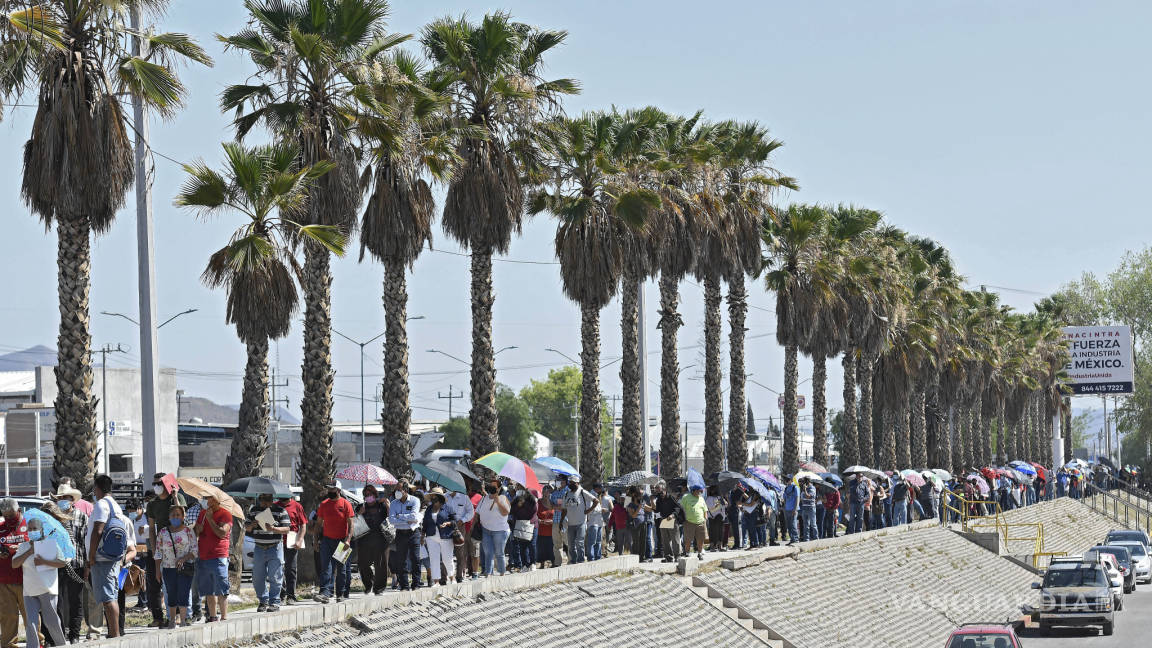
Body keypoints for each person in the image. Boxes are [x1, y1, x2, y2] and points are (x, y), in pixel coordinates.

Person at [12, 517, 67, 647]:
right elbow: (14, 564)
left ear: (41, 530)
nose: (32, 531)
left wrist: (44, 562)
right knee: (31, 623)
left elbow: (62, 562)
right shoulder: (24, 546)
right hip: (29, 591)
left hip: (47, 589)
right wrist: (29, 552)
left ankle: (61, 645)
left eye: (34, 528)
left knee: (51, 622)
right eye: (29, 529)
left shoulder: (50, 544)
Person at [85, 474, 128, 638]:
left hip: (101, 557)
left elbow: (98, 530)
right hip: (111, 556)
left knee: (108, 598)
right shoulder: (115, 505)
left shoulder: (101, 505)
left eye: (94, 489)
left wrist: (91, 556)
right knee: (111, 595)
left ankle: (114, 633)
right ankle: (113, 632)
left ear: (97, 488)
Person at [45, 487, 86, 642]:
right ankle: (59, 634)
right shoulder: (54, 517)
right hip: (57, 565)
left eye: (66, 497)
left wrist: (87, 565)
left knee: (76, 601)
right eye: (60, 498)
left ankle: (75, 635)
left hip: (77, 563)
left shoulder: (81, 516)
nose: (63, 500)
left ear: (72, 499)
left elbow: (84, 542)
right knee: (58, 601)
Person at [145, 473, 185, 627]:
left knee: (176, 582)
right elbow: (151, 529)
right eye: (154, 483)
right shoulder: (152, 504)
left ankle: (178, 616)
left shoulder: (176, 499)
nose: (156, 486)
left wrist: (175, 497)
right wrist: (155, 552)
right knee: (155, 583)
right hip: (160, 547)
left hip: (178, 546)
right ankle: (158, 617)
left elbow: (183, 517)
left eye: (159, 483)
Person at [153, 504, 196, 628]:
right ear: (169, 517)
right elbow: (158, 552)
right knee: (170, 594)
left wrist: (184, 558)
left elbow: (194, 550)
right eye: (173, 515)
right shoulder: (163, 532)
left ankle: (183, 620)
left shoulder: (188, 531)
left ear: (183, 517)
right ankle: (171, 620)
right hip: (168, 568)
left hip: (185, 568)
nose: (175, 517)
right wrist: (157, 570)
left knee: (183, 593)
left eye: (178, 515)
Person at [246, 493, 289, 612]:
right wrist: (252, 525)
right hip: (259, 547)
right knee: (257, 577)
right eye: (263, 500)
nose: (265, 503)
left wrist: (274, 529)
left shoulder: (280, 511)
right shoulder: (254, 510)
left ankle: (274, 602)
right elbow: (246, 527)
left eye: (268, 500)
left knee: (275, 576)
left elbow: (287, 529)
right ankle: (263, 601)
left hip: (275, 547)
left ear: (272, 500)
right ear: (259, 500)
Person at [313, 480, 355, 602]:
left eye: (332, 489)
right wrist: (316, 541)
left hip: (342, 541)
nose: (330, 491)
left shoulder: (346, 504)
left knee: (341, 569)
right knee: (325, 567)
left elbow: (351, 525)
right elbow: (318, 524)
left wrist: (348, 540)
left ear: (338, 490)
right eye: (329, 489)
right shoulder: (324, 504)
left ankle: (340, 594)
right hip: (327, 541)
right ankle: (325, 593)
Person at [193, 493, 232, 622]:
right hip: (203, 555)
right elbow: (197, 532)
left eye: (209, 498)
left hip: (218, 555)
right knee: (208, 589)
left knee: (221, 588)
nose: (206, 501)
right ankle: (212, 616)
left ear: (216, 500)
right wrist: (198, 528)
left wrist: (210, 520)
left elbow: (222, 533)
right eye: (205, 498)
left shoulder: (225, 514)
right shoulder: (203, 513)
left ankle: (224, 616)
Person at [0, 498, 29, 648]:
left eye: (11, 515)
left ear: (18, 511)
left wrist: (17, 548)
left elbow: (36, 545)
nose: (9, 519)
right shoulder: (1, 526)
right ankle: (8, 645)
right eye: (6, 516)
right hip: (4, 580)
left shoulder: (28, 524)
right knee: (8, 616)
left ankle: (37, 642)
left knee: (30, 614)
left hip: (26, 578)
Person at [388, 480, 423, 591]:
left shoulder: (415, 500)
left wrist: (400, 516)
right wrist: (406, 519)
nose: (397, 492)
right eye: (396, 490)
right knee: (401, 560)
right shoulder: (393, 503)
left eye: (399, 490)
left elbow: (413, 516)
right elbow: (392, 520)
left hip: (413, 533)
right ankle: (404, 585)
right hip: (400, 534)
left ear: (405, 490)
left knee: (415, 558)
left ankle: (416, 584)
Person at [356, 484, 390, 595]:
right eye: (366, 495)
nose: (368, 496)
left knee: (380, 565)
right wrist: (359, 514)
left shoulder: (382, 506)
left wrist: (388, 506)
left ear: (375, 495)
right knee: (363, 564)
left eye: (370, 494)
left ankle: (379, 588)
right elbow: (354, 523)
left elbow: (390, 520)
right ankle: (368, 584)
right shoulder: (360, 507)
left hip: (381, 539)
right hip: (364, 540)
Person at [421, 489, 456, 586]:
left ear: (440, 498)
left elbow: (455, 522)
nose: (433, 499)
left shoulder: (448, 508)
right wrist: (422, 535)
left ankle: (452, 578)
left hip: (445, 536)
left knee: (447, 559)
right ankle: (436, 581)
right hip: (431, 536)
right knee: (434, 559)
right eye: (431, 497)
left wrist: (447, 523)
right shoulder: (429, 509)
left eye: (435, 497)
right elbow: (425, 523)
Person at [477, 480, 511, 576]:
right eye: (490, 485)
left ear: (499, 488)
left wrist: (498, 502)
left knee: (499, 553)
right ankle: (488, 573)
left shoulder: (503, 498)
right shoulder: (485, 498)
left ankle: (502, 572)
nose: (491, 488)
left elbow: (505, 512)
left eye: (494, 486)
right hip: (486, 530)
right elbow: (478, 512)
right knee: (488, 553)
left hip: (500, 531)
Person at [277, 495, 307, 604]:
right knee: (277, 569)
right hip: (277, 541)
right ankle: (280, 594)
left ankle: (291, 595)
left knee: (291, 569)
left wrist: (299, 540)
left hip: (291, 540)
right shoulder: (275, 506)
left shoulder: (297, 506)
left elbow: (303, 525)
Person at [561, 476, 597, 564]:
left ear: (577, 483)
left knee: (580, 543)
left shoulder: (582, 492)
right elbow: (564, 509)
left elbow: (596, 501)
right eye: (570, 482)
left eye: (573, 483)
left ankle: (581, 560)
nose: (570, 484)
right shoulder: (566, 494)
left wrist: (588, 511)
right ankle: (573, 561)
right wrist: (561, 521)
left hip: (581, 522)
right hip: (570, 523)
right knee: (571, 544)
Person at [445, 487, 474, 583]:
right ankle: (444, 577)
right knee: (446, 553)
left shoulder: (464, 497)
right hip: (446, 526)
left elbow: (471, 512)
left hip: (460, 526)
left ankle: (459, 576)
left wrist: (463, 520)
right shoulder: (444, 497)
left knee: (460, 553)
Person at [509, 488, 536, 571]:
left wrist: (524, 504)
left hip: (531, 525)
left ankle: (533, 563)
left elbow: (533, 511)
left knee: (532, 545)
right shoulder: (516, 501)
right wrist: (518, 505)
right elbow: (511, 511)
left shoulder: (532, 500)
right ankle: (525, 564)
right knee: (522, 546)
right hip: (519, 526)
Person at [652, 483, 680, 563]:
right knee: (665, 540)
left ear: (664, 490)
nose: (659, 494)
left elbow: (677, 508)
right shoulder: (659, 499)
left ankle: (677, 555)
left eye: (660, 492)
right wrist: (651, 501)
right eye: (657, 492)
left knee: (675, 539)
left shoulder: (671, 497)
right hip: (664, 520)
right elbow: (657, 510)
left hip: (672, 519)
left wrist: (673, 515)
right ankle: (668, 556)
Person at [680, 484, 708, 560]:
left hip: (701, 522)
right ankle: (687, 552)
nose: (701, 492)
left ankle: (699, 553)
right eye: (699, 491)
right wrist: (683, 518)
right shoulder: (686, 497)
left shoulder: (701, 498)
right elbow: (681, 508)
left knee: (700, 539)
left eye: (701, 491)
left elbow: (705, 509)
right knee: (688, 539)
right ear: (694, 491)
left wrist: (705, 518)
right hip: (689, 522)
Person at [625, 486, 652, 562]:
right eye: (639, 495)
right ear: (634, 495)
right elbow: (631, 514)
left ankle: (641, 557)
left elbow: (651, 509)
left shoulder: (642, 502)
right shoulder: (629, 502)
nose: (641, 496)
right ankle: (635, 557)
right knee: (636, 541)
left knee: (643, 541)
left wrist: (652, 501)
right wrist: (639, 508)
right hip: (634, 523)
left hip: (643, 523)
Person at [585, 483, 608, 561]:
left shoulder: (598, 496)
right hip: (593, 522)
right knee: (592, 541)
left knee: (598, 541)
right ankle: (591, 557)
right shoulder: (590, 495)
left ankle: (598, 556)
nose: (601, 490)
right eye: (600, 488)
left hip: (599, 522)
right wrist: (601, 509)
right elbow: (589, 510)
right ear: (597, 488)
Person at [536, 491, 556, 568]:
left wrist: (553, 521)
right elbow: (534, 515)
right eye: (544, 494)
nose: (546, 496)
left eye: (548, 494)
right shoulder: (538, 503)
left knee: (552, 548)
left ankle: (553, 562)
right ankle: (542, 564)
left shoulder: (553, 504)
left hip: (552, 530)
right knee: (541, 548)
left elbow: (558, 515)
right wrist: (540, 521)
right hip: (541, 530)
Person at [705, 486, 726, 552]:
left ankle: (720, 546)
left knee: (720, 531)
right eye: (712, 490)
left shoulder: (719, 497)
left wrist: (724, 500)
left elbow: (725, 505)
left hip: (720, 517)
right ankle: (712, 546)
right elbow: (710, 509)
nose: (714, 491)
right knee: (713, 532)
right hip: (712, 517)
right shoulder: (708, 498)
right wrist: (717, 506)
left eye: (715, 490)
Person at [782, 476, 799, 544]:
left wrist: (795, 509)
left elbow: (797, 498)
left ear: (791, 480)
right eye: (786, 480)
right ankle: (792, 539)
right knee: (789, 525)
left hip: (793, 509)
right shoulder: (786, 488)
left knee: (793, 524)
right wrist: (784, 507)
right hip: (787, 509)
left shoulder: (795, 487)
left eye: (788, 479)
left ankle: (796, 539)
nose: (786, 481)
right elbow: (785, 499)